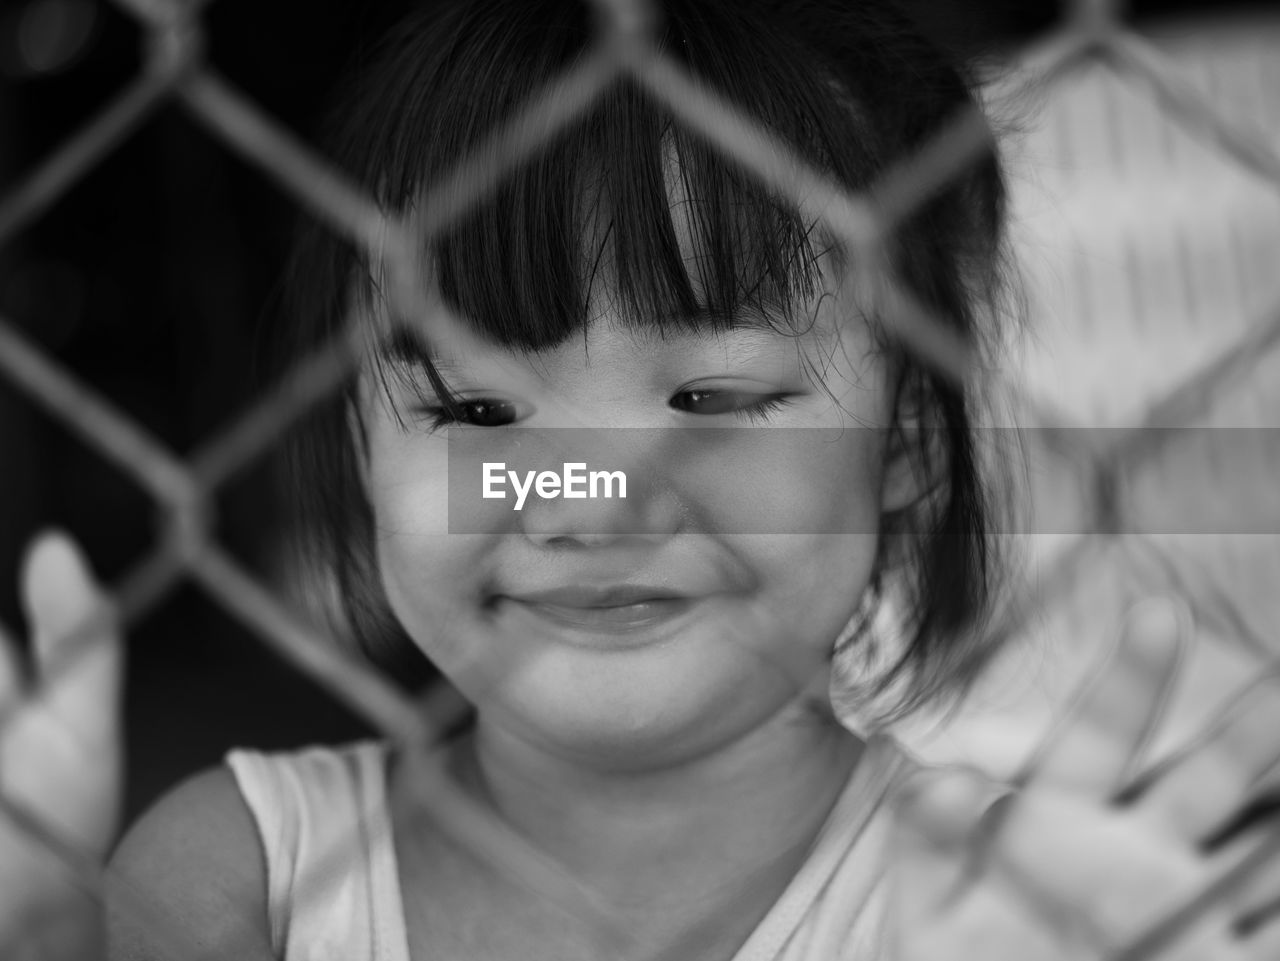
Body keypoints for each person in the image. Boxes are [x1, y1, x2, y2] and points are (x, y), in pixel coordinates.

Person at [2, 1, 1278, 958]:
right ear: (359, 453)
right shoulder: (246, 877)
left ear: (905, 444)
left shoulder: (1035, 899)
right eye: (474, 410)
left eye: (714, 402)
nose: (582, 500)